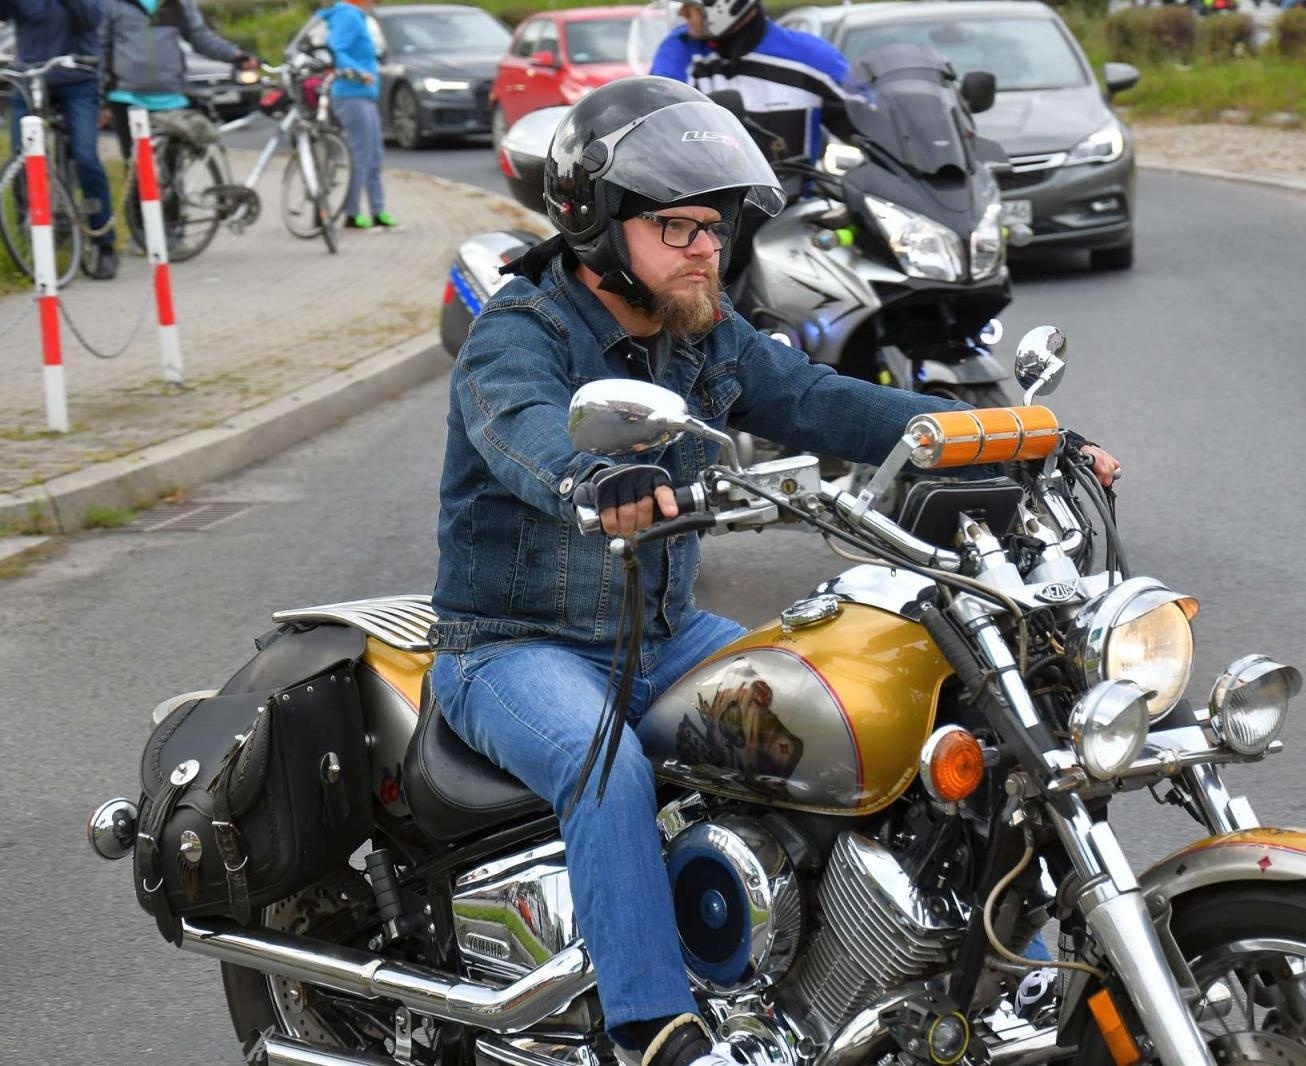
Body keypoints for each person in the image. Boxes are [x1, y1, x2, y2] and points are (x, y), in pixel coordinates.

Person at [427, 76, 1120, 1066]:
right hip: (512, 648)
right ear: (598, 221)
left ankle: (950, 974)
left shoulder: (696, 332)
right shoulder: (520, 333)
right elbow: (521, 428)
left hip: (661, 639)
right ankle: (656, 1029)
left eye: (714, 227)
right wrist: (594, 473)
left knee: (844, 714)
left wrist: (1018, 439)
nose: (706, 247)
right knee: (604, 767)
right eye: (677, 226)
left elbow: (816, 396)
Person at [648, 0, 851, 167]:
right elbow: (659, 117)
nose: (683, 13)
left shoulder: (811, 58)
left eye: (690, 6)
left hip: (794, 207)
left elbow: (868, 123)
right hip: (709, 206)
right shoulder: (679, 49)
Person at [2, 0, 119, 279]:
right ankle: (31, 237)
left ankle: (104, 245)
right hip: (30, 78)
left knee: (86, 158)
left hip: (77, 79)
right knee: (21, 159)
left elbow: (90, 19)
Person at [101, 0, 257, 159]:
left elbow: (199, 36)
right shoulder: (113, 4)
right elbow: (100, 47)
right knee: (138, 170)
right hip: (127, 98)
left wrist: (235, 55)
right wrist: (100, 98)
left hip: (172, 98)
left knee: (172, 168)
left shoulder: (178, 3)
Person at [314, 0, 392, 230]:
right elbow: (335, 47)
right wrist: (358, 72)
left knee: (375, 154)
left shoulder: (357, 16)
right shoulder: (348, 15)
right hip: (350, 94)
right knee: (361, 155)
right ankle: (352, 213)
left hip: (364, 95)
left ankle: (378, 210)